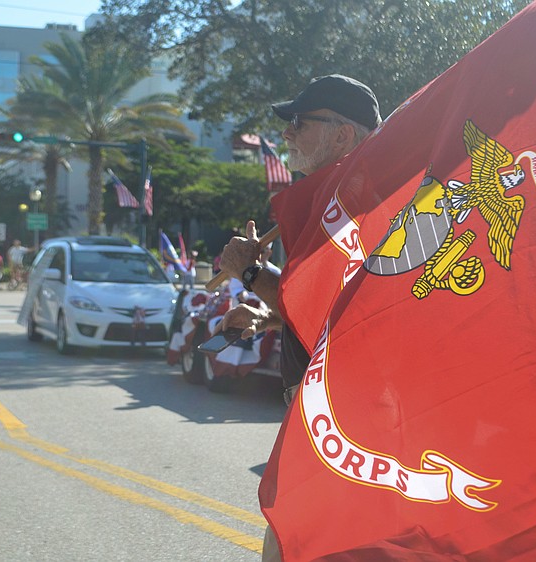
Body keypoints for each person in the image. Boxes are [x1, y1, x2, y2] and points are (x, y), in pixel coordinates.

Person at [214, 74, 381, 561]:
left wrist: (249, 270)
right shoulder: (328, 201)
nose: (286, 133)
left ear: (342, 134)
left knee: (299, 544)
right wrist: (264, 315)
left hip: (343, 411)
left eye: (300, 123)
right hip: (322, 407)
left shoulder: (358, 204)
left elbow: (325, 305)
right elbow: (317, 311)